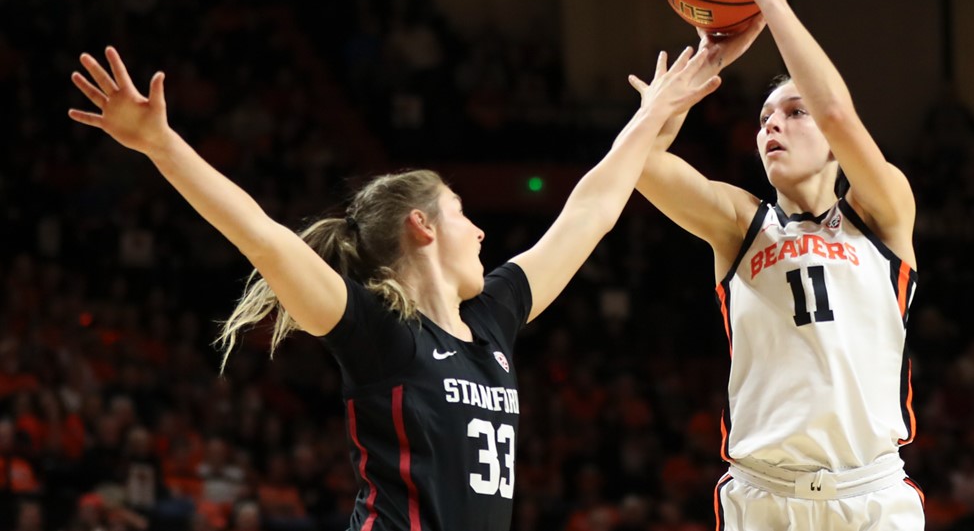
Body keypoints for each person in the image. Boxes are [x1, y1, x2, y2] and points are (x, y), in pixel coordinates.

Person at [68, 45, 721, 531]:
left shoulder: (493, 317)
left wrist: (652, 117)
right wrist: (160, 144)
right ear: (423, 226)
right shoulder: (378, 333)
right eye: (463, 212)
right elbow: (264, 238)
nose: (483, 230)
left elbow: (591, 211)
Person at [630, 0, 925, 529]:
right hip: (762, 497)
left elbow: (839, 114)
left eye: (794, 112)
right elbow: (640, 164)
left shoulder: (882, 213)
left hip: (869, 493)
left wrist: (772, 3)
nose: (772, 126)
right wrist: (695, 73)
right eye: (765, 118)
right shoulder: (740, 224)